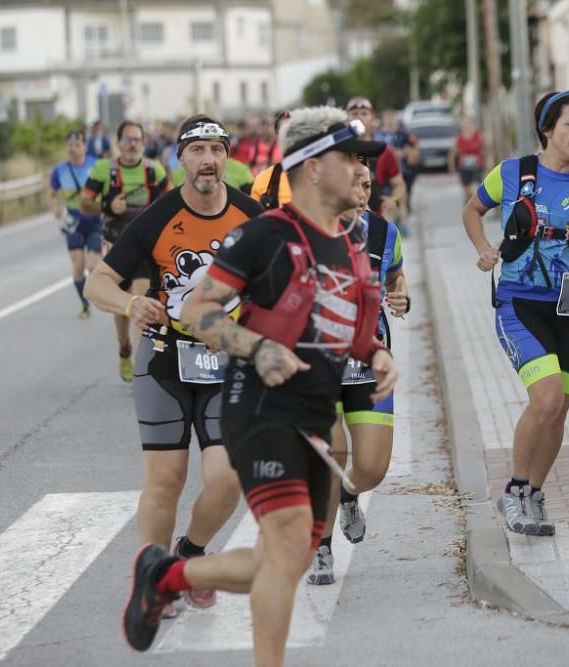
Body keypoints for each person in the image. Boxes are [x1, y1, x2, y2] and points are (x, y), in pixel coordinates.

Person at [120, 107, 397, 667]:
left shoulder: (353, 241)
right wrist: (256, 347)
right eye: (351, 159)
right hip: (259, 410)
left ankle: (168, 573)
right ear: (313, 168)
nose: (364, 173)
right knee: (289, 545)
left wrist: (378, 353)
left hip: (314, 418)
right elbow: (198, 310)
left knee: (285, 558)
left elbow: (357, 327)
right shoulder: (264, 235)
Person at [86, 116, 262, 613]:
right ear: (180, 159)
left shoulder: (253, 216)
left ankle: (189, 555)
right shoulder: (158, 217)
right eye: (197, 150)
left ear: (228, 157)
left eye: (216, 149)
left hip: (226, 359)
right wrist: (128, 305)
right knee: (165, 479)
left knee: (228, 475)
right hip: (165, 356)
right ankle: (154, 578)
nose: (208, 160)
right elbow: (97, 281)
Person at [461, 89, 569, 538]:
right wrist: (484, 248)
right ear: (547, 129)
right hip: (520, 303)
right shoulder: (511, 173)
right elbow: (473, 210)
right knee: (545, 399)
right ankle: (513, 489)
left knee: (559, 412)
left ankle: (533, 491)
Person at [308, 160, 410, 585]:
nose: (363, 193)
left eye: (367, 185)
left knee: (371, 467)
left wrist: (400, 297)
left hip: (369, 361)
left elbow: (396, 278)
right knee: (334, 454)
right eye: (354, 184)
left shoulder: (385, 232)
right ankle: (321, 548)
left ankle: (349, 495)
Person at [81, 120, 169, 382]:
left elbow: (172, 204)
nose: (133, 144)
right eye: (128, 139)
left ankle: (143, 366)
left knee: (141, 298)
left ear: (144, 143)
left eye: (137, 139)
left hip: (145, 247)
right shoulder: (102, 169)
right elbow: (85, 204)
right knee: (122, 306)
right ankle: (124, 348)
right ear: (118, 142)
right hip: (115, 244)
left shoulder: (155, 171)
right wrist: (107, 207)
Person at [50, 130, 101, 318]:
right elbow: (52, 192)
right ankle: (84, 304)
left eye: (77, 145)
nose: (73, 149)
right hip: (73, 223)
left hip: (96, 222)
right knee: (78, 267)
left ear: (84, 147)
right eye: (70, 145)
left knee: (92, 266)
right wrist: (56, 208)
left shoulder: (97, 165)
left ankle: (99, 294)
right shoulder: (60, 170)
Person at [346, 97, 407, 224]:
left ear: (372, 117)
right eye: (354, 114)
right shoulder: (340, 152)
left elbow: (399, 185)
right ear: (347, 117)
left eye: (364, 113)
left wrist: (393, 200)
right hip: (346, 221)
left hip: (375, 221)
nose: (359, 117)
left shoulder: (383, 151)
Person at [376, 110, 420, 215]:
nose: (390, 120)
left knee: (402, 196)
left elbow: (413, 148)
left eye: (392, 117)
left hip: (402, 169)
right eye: (387, 117)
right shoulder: (378, 135)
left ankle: (403, 225)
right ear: (383, 119)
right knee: (386, 198)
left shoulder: (402, 134)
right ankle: (389, 222)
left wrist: (403, 152)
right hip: (385, 171)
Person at [250, 110, 293, 209]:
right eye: (282, 131)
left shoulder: (319, 174)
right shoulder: (262, 180)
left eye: (293, 130)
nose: (288, 136)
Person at [449, 117, 485, 202]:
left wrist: (486, 163)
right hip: (464, 168)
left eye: (469, 124)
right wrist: (452, 165)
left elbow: (484, 151)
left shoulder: (478, 136)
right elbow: (453, 152)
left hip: (476, 167)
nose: (467, 126)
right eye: (465, 124)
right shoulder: (459, 137)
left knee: (474, 190)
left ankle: (475, 209)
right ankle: (468, 211)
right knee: (467, 194)